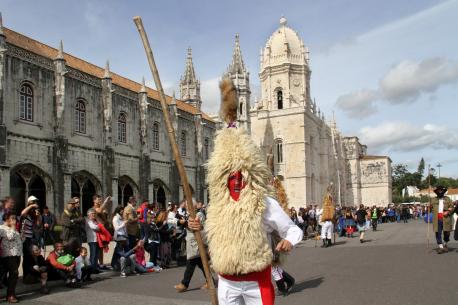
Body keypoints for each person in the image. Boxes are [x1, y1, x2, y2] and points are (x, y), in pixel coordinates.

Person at [202, 79, 303, 305]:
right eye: (230, 175)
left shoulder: (264, 203)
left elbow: (294, 230)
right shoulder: (217, 206)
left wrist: (289, 241)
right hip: (226, 282)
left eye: (242, 174)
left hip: (257, 282)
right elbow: (211, 236)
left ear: (251, 175)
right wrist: (195, 227)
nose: (236, 180)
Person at [174, 201, 209, 292]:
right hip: (192, 243)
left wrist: (185, 223)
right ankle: (210, 281)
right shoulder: (190, 215)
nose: (187, 208)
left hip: (197, 244)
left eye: (188, 206)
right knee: (202, 265)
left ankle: (184, 284)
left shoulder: (199, 214)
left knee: (191, 263)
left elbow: (196, 227)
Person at [0, 212, 23, 303]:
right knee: (14, 274)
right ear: (7, 219)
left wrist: (22, 236)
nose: (14, 220)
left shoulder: (12, 228)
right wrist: (14, 227)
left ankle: (11, 293)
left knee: (13, 275)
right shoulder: (2, 228)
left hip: (17, 254)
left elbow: (17, 239)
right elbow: (10, 237)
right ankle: (10, 295)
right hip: (9, 255)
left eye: (14, 218)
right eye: (12, 218)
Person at [20, 196, 42, 278]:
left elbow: (38, 225)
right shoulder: (26, 213)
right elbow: (22, 213)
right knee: (26, 257)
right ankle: (26, 276)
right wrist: (31, 206)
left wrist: (38, 216)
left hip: (31, 238)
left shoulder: (33, 214)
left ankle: (30, 275)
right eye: (34, 202)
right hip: (25, 238)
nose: (36, 204)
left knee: (31, 257)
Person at [431, 186, 454, 254]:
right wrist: (428, 206)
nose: (440, 191)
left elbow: (452, 207)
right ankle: (440, 247)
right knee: (438, 233)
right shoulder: (433, 200)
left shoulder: (448, 199)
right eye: (439, 190)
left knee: (447, 232)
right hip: (437, 219)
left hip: (446, 218)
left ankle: (445, 243)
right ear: (437, 192)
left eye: (441, 190)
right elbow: (430, 207)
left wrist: (448, 212)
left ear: (443, 192)